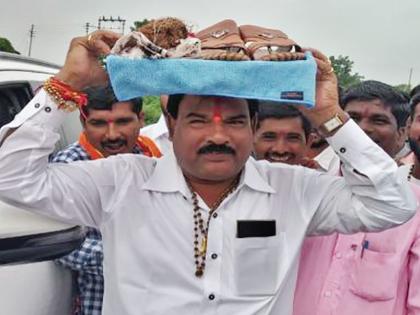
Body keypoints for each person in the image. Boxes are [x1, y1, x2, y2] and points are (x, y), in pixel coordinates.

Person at [0, 30, 415, 315]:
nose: (218, 134)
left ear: (254, 129)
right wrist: (66, 83)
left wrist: (327, 113)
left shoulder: (295, 189)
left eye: (235, 121)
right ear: (170, 125)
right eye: (198, 120)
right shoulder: (121, 181)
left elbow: (392, 205)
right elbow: (12, 177)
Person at [293, 80, 418, 315]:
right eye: (351, 120)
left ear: (403, 132)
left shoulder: (414, 208)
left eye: (378, 120)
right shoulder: (306, 190)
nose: (361, 130)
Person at [51, 85, 162, 315]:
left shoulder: (152, 156)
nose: (112, 135)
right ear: (83, 123)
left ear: (141, 119)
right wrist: (141, 255)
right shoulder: (70, 166)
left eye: (122, 122)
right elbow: (64, 246)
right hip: (101, 302)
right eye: (99, 123)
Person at [253, 103, 319, 168]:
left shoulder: (319, 177)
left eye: (292, 138)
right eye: (269, 137)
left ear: (308, 143)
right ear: (250, 140)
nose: (280, 150)